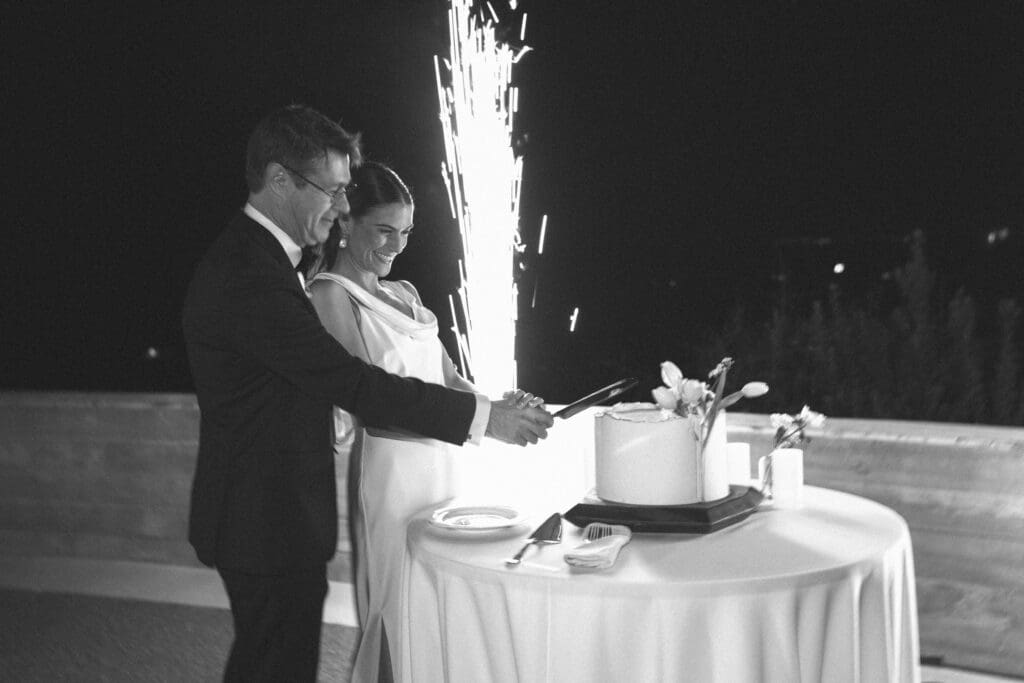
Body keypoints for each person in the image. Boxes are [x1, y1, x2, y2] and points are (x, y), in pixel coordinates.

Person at [181, 105, 553, 683]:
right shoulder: (251, 273)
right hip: (262, 515)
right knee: (273, 663)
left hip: (275, 513)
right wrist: (486, 419)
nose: (337, 206)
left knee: (275, 660)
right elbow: (352, 383)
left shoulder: (261, 260)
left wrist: (488, 408)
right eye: (328, 191)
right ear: (280, 179)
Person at [306, 161, 542, 683]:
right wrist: (485, 420)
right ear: (345, 222)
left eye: (406, 232)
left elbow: (449, 383)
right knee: (395, 606)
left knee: (439, 602)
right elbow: (371, 403)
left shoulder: (406, 294)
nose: (396, 245)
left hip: (442, 467)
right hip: (391, 476)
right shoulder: (330, 295)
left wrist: (501, 406)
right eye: (384, 230)